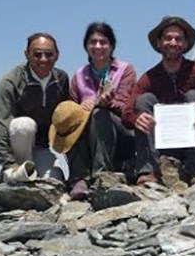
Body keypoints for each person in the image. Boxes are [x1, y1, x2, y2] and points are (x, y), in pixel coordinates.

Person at [122, 16, 195, 186]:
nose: (173, 42)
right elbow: (126, 112)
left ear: (185, 44)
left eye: (178, 39)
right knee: (143, 100)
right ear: (159, 43)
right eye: (168, 38)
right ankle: (148, 171)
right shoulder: (149, 77)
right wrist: (136, 119)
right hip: (163, 145)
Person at [49, 22, 136, 199]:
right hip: (87, 136)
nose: (98, 47)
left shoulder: (125, 70)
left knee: (99, 114)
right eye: (93, 42)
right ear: (86, 46)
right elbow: (72, 104)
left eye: (103, 42)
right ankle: (78, 177)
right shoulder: (79, 75)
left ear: (111, 46)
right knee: (71, 118)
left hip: (119, 131)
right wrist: (80, 109)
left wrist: (104, 104)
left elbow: (127, 105)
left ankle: (101, 175)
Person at [0, 32, 69, 183]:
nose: (43, 59)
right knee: (24, 125)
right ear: (27, 54)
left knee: (55, 181)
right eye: (37, 54)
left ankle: (25, 174)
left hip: (41, 147)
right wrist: (8, 163)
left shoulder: (62, 79)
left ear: (57, 55)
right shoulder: (12, 80)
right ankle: (13, 171)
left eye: (48, 54)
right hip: (16, 146)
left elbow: (66, 121)